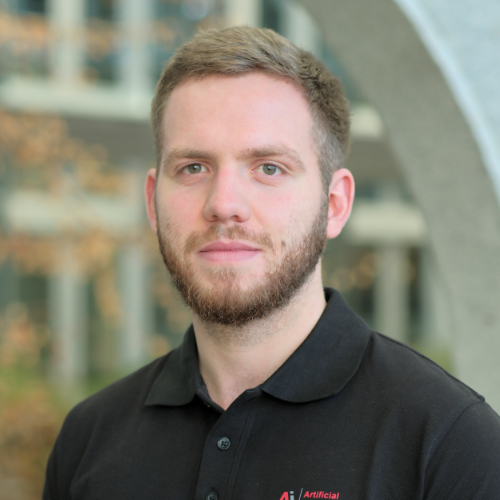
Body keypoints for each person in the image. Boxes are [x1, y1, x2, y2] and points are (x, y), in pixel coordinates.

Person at [43, 26, 500, 500]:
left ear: (335, 204)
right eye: (193, 168)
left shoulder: (451, 446)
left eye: (268, 168)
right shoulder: (88, 440)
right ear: (152, 202)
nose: (223, 204)